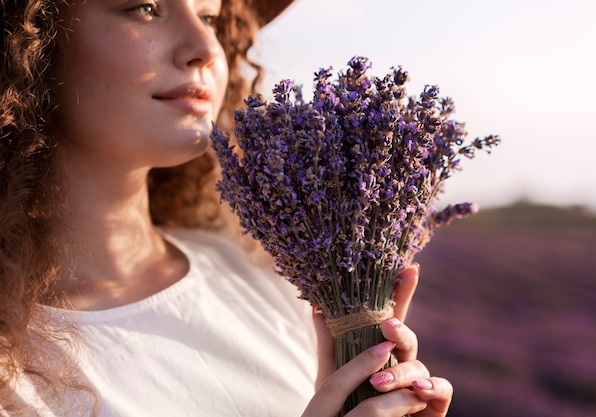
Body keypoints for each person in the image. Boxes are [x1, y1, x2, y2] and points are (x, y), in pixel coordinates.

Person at [0, 0, 453, 415]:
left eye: (210, 17)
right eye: (146, 7)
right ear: (32, 40)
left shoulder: (267, 277)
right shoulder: (12, 369)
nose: (204, 48)